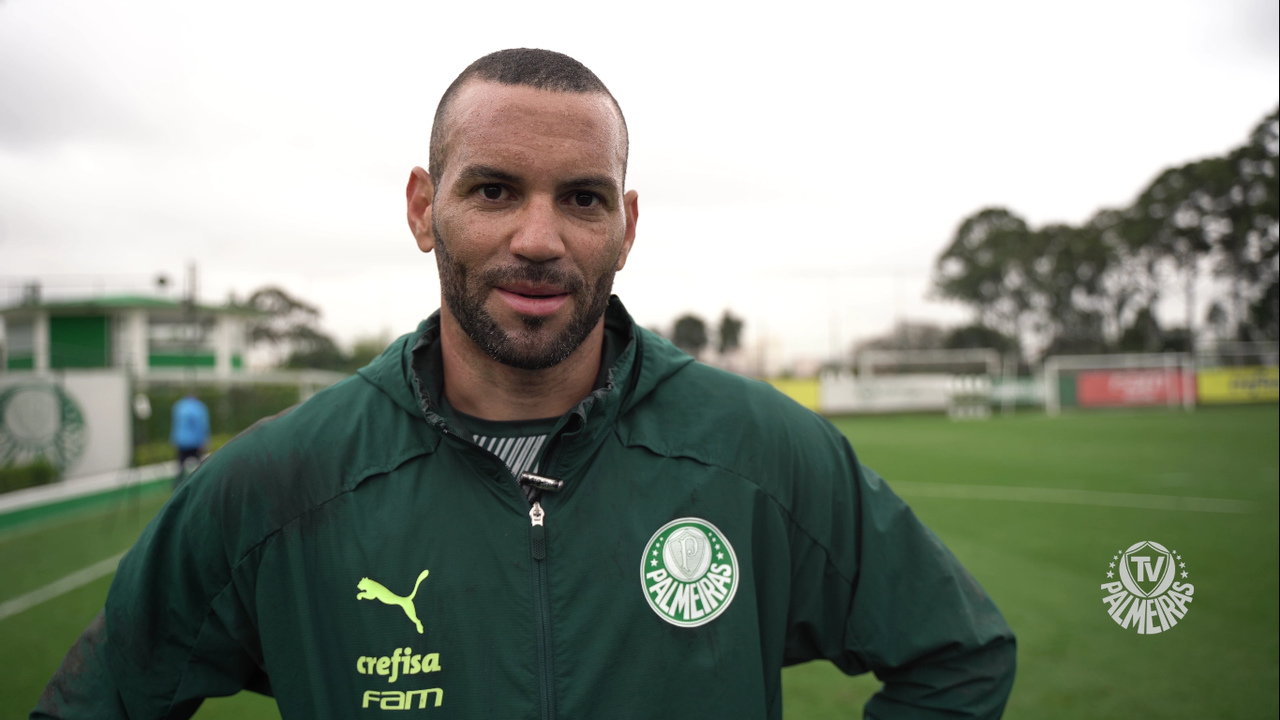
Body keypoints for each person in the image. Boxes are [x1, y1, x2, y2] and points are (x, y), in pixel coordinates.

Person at [33, 49, 1015, 719]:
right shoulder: (276, 484)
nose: (538, 239)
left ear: (624, 225)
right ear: (424, 209)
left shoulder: (760, 452)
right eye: (493, 189)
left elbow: (956, 654)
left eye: (581, 199)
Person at [169, 393, 210, 489]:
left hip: (181, 441)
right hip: (194, 442)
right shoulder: (199, 407)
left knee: (180, 464)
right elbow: (202, 425)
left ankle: (176, 485)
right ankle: (203, 481)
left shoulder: (179, 406)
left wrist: (173, 439)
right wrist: (204, 440)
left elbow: (175, 424)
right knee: (200, 464)